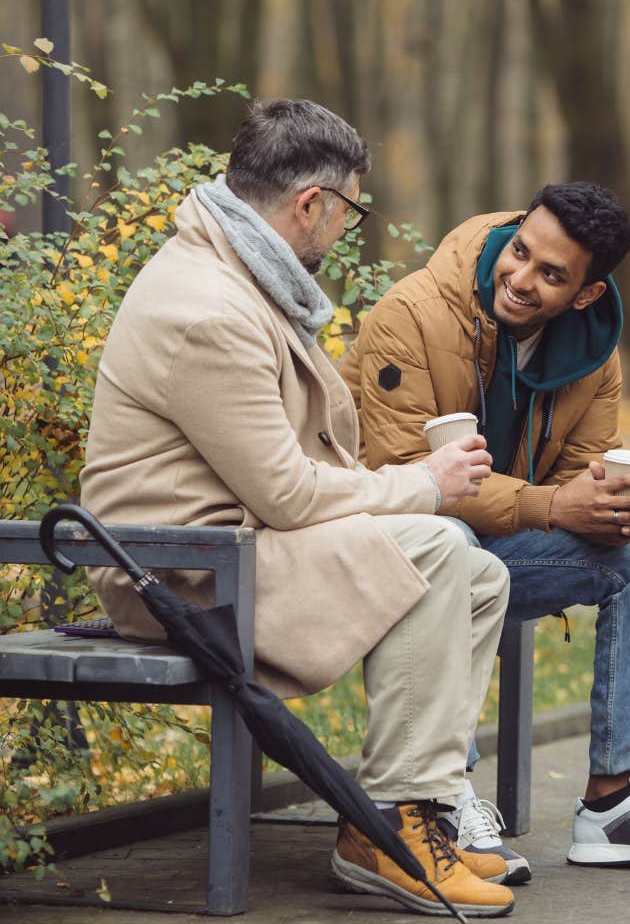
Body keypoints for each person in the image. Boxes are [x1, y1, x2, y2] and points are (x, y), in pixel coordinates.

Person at [79, 99, 517, 918]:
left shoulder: (242, 274)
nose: (348, 230)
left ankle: (416, 806)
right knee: (440, 545)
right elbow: (285, 493)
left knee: (480, 575)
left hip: (234, 550)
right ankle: (385, 830)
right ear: (310, 204)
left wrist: (414, 494)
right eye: (350, 211)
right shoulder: (207, 308)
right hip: (182, 573)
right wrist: (423, 483)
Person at [342, 182, 630, 878]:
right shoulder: (411, 313)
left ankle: (612, 806)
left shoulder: (592, 353)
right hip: (389, 547)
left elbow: (581, 478)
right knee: (450, 547)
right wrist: (552, 508)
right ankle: (439, 795)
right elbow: (399, 479)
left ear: (585, 293)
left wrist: (616, 511)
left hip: (494, 545)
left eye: (551, 274)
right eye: (520, 252)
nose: (520, 279)